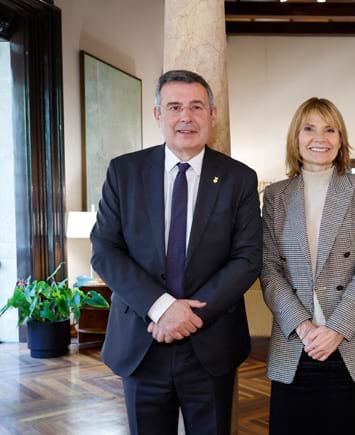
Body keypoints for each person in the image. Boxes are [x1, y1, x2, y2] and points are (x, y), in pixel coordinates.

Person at [90, 70, 262, 435]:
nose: (186, 117)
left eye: (196, 106)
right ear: (158, 115)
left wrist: (188, 316)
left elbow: (248, 258)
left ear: (212, 114)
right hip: (142, 340)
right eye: (174, 107)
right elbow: (105, 250)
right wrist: (162, 308)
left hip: (210, 343)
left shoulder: (239, 179)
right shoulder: (124, 172)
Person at [261, 97, 355, 435]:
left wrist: (335, 329)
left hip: (353, 342)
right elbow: (270, 269)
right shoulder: (276, 195)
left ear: (340, 138)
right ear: (296, 138)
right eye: (309, 129)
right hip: (296, 345)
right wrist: (304, 328)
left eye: (329, 130)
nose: (320, 138)